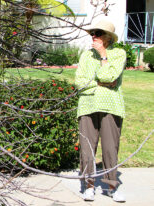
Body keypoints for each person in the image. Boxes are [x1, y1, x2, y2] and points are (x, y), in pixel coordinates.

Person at [75, 19, 126, 202]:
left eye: (98, 33)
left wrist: (103, 55)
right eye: (92, 33)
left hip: (111, 106)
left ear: (108, 37)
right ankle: (89, 186)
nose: (94, 36)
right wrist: (101, 84)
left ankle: (112, 187)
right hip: (87, 106)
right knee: (87, 149)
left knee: (110, 149)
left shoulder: (119, 54)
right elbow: (79, 83)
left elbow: (110, 75)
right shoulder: (86, 56)